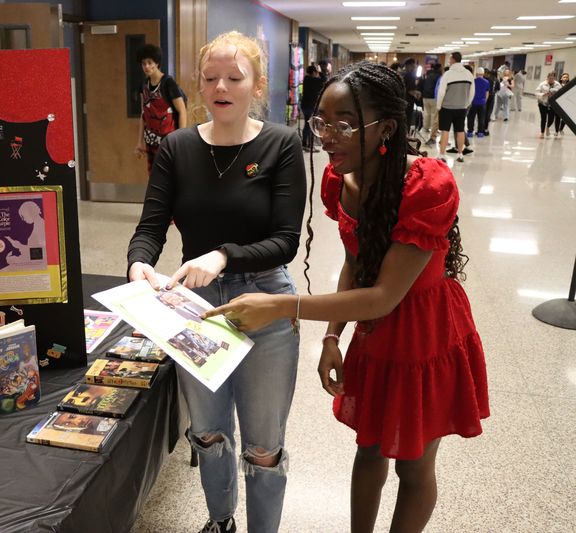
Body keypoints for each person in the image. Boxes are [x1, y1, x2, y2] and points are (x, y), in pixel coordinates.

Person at [204, 61, 490, 533]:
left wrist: (280, 305)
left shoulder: (426, 186)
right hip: (374, 333)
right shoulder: (341, 180)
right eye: (321, 123)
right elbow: (356, 264)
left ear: (388, 129)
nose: (327, 137)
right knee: (369, 448)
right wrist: (333, 338)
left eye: (344, 125)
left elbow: (382, 296)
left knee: (413, 465)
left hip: (423, 332)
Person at [127, 31, 306, 533]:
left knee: (264, 444)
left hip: (266, 300)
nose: (221, 86)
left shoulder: (280, 144)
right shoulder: (177, 148)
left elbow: (286, 240)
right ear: (198, 85)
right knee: (207, 432)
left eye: (234, 77)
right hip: (196, 303)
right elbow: (150, 226)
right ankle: (219, 521)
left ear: (257, 84)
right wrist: (139, 263)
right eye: (210, 78)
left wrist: (225, 254)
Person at [134, 44, 188, 175]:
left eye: (149, 62)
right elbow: (143, 114)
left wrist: (180, 140)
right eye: (143, 63)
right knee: (153, 175)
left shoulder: (168, 83)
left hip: (168, 139)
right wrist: (139, 142)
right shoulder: (143, 86)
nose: (146, 66)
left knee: (168, 175)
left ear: (157, 63)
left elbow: (182, 111)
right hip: (151, 140)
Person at [436, 52, 474, 162]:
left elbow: (441, 92)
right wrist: (466, 104)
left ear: (452, 59)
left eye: (449, 59)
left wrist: (439, 106)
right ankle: (460, 154)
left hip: (447, 107)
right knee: (460, 130)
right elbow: (472, 92)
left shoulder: (448, 74)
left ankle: (442, 154)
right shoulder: (468, 74)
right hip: (462, 107)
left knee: (445, 131)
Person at [301, 64, 324, 151]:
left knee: (307, 124)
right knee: (311, 126)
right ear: (314, 72)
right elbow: (324, 79)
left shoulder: (306, 79)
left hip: (305, 105)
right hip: (311, 106)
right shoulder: (315, 81)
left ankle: (304, 144)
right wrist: (320, 71)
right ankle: (310, 146)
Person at [535, 71, 563, 138]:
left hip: (552, 105)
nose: (551, 79)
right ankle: (542, 133)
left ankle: (547, 127)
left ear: (554, 78)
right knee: (543, 118)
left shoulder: (558, 85)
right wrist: (543, 94)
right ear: (547, 78)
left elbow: (561, 94)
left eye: (552, 78)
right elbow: (536, 92)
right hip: (542, 103)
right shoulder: (542, 84)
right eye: (549, 78)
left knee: (551, 119)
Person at [420, 63, 442, 144]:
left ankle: (425, 128)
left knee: (427, 113)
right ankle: (433, 133)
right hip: (433, 97)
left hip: (425, 97)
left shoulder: (427, 75)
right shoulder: (439, 76)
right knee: (434, 116)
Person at [467, 67, 490, 137]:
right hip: (482, 103)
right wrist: (484, 101)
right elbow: (487, 93)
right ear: (483, 74)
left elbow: (470, 92)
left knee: (471, 118)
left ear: (476, 74)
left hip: (473, 102)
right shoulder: (486, 82)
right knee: (481, 118)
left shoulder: (473, 82)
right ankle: (480, 132)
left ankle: (470, 132)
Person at [553, 73, 570, 137]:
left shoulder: (569, 85)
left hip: (567, 104)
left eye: (567, 77)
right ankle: (556, 131)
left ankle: (561, 129)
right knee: (557, 118)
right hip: (558, 104)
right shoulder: (557, 85)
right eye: (564, 77)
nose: (565, 78)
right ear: (561, 78)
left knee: (565, 118)